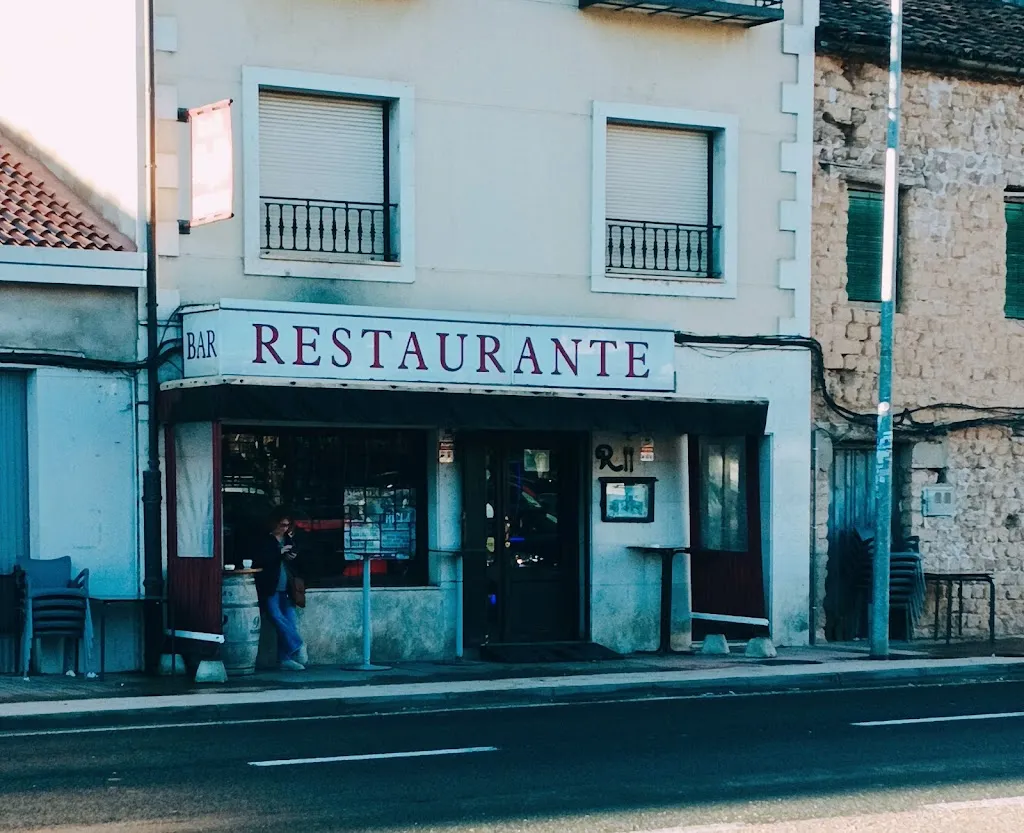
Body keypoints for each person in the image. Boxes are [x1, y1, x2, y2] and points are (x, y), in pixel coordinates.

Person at [254, 508, 308, 671]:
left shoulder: (290, 540)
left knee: (289, 620)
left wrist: (293, 555)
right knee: (276, 616)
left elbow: (301, 560)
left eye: (287, 525)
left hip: (288, 586)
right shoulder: (265, 540)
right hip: (270, 585)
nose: (285, 528)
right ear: (275, 524)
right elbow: (260, 560)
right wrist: (278, 553)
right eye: (282, 525)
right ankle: (297, 644)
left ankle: (285, 658)